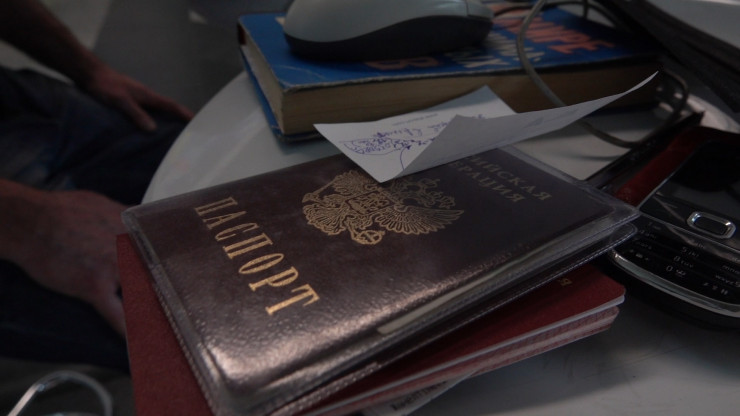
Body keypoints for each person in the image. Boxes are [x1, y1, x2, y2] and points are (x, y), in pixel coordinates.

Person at [0, 0, 194, 371]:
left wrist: (90, 71)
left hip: (11, 103)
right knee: (189, 330)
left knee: (222, 179)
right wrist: (26, 220)